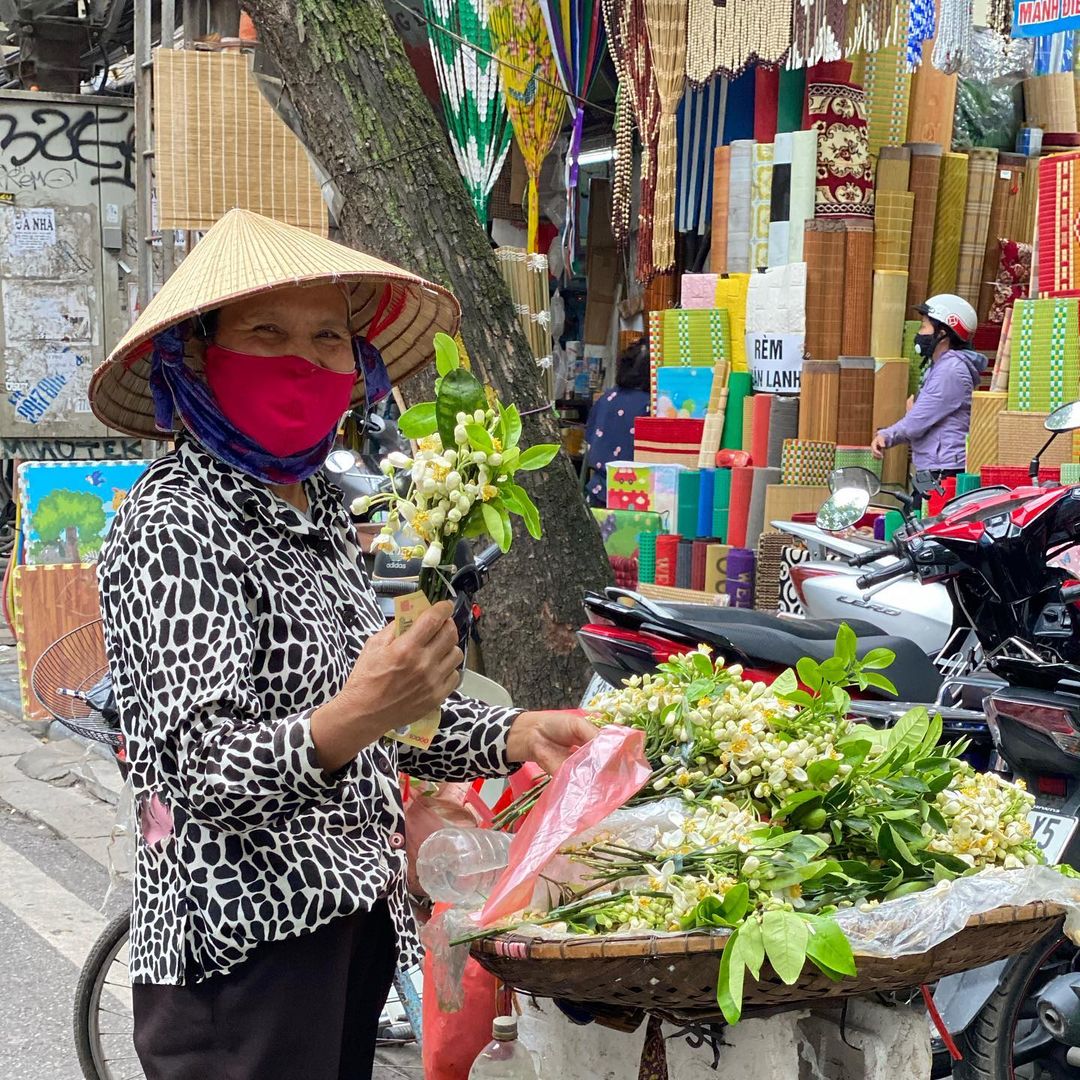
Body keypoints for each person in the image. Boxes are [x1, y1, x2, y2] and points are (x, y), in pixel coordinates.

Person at [89, 209, 597, 1080]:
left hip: (345, 925)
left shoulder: (320, 506)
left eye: (329, 336)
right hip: (243, 952)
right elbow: (198, 768)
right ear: (196, 359)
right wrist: (358, 711)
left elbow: (385, 711)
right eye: (265, 332)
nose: (305, 359)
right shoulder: (175, 521)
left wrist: (511, 736)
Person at [871, 294, 986, 484]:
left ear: (942, 334)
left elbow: (918, 420)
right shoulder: (941, 367)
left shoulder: (950, 371)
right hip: (937, 464)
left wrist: (886, 435)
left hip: (944, 469)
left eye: (924, 326)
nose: (920, 333)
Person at [584, 338, 651, 506]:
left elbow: (589, 437)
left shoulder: (607, 398)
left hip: (598, 491)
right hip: (638, 493)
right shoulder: (651, 405)